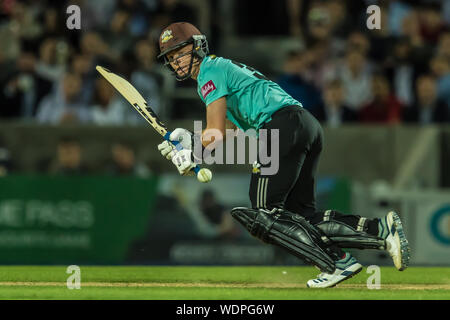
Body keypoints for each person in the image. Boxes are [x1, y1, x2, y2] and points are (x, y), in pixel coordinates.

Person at [155, 22, 410, 288]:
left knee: (265, 214)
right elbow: (228, 128)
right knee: (301, 217)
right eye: (171, 58)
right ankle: (381, 230)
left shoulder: (209, 71)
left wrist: (194, 152)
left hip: (279, 127)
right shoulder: (219, 68)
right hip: (304, 124)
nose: (176, 61)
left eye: (180, 52)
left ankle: (336, 263)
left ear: (197, 46)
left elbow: (216, 132)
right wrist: (192, 141)